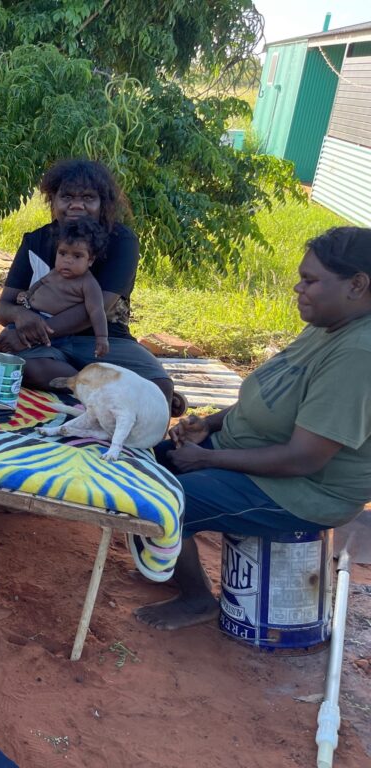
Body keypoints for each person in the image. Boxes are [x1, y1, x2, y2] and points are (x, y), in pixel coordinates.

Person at [135, 227, 371, 630]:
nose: (299, 287)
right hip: (248, 451)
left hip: (303, 492)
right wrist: (206, 424)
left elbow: (304, 459)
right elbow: (271, 395)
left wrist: (208, 458)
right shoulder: (325, 324)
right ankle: (164, 560)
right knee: (135, 462)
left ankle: (196, 600)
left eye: (311, 280)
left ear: (357, 284)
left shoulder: (358, 353)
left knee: (164, 499)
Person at [0, 158, 182, 413]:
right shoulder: (35, 241)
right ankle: (103, 387)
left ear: (103, 204)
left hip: (104, 339)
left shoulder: (122, 241)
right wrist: (20, 316)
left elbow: (96, 309)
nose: (76, 205)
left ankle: (89, 383)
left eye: (88, 198)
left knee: (161, 388)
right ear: (53, 200)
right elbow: (3, 308)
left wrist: (25, 336)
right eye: (66, 196)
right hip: (45, 346)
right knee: (34, 368)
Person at [15, 217, 110, 358]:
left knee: (35, 355)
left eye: (77, 256)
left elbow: (96, 311)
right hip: (29, 315)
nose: (67, 260)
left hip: (54, 329)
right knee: (7, 338)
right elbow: (41, 282)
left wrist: (102, 337)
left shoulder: (88, 283)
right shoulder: (55, 272)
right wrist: (28, 294)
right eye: (63, 253)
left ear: (90, 260)